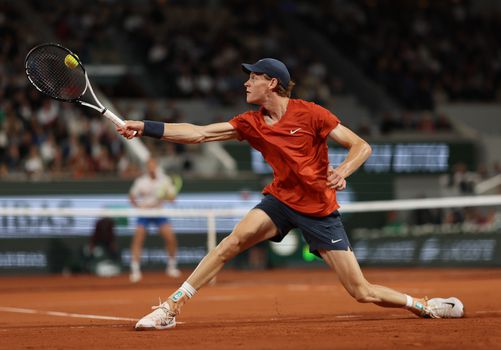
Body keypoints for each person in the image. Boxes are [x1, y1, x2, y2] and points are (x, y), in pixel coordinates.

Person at [117, 58, 464, 330]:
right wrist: (145, 127)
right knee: (231, 243)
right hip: (280, 200)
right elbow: (199, 134)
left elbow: (361, 145)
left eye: (252, 77)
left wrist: (342, 171)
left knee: (361, 292)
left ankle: (423, 305)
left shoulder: (311, 113)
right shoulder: (250, 122)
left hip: (319, 210)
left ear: (272, 83)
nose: (245, 83)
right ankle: (171, 307)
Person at [128, 158, 181, 282]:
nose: (151, 168)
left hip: (159, 212)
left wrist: (168, 197)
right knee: (138, 239)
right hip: (144, 213)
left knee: (170, 238)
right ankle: (135, 270)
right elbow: (132, 197)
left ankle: (171, 267)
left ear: (156, 166)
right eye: (149, 166)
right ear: (147, 167)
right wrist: (139, 206)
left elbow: (172, 199)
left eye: (153, 165)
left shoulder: (165, 180)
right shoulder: (141, 181)